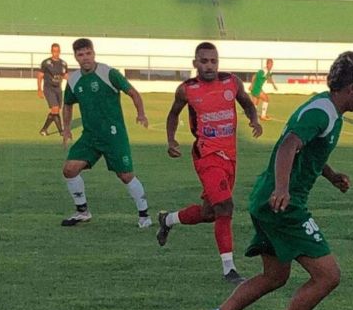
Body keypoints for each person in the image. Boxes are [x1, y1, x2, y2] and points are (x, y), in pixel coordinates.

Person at [187, 51, 353, 310]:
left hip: (267, 199)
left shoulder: (326, 107)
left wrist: (331, 175)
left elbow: (306, 150)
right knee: (328, 276)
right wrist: (283, 188)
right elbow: (289, 145)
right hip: (282, 204)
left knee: (274, 276)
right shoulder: (321, 112)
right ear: (352, 88)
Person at [157, 42, 263, 284]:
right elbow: (173, 114)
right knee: (225, 207)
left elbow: (246, 102)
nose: (209, 66)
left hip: (230, 156)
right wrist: (171, 140)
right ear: (195, 64)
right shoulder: (187, 89)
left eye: (213, 61)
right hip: (207, 156)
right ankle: (229, 269)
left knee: (210, 213)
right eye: (204, 61)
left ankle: (168, 219)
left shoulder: (231, 82)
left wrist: (254, 119)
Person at [60, 38, 152, 228]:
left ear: (93, 53)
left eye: (88, 53)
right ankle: (82, 212)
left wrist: (141, 114)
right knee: (69, 170)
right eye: (80, 54)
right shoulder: (74, 79)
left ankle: (144, 215)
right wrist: (67, 127)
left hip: (113, 135)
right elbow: (67, 104)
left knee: (125, 176)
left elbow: (133, 93)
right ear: (75, 57)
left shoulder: (108, 73)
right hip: (90, 136)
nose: (85, 58)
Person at [37, 43, 68, 136]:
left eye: (57, 51)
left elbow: (65, 75)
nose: (56, 53)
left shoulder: (63, 63)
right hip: (49, 88)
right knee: (55, 109)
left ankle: (44, 130)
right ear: (51, 52)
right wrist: (39, 89)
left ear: (60, 51)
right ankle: (61, 131)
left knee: (56, 110)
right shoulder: (46, 63)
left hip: (58, 89)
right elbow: (40, 76)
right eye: (54, 51)